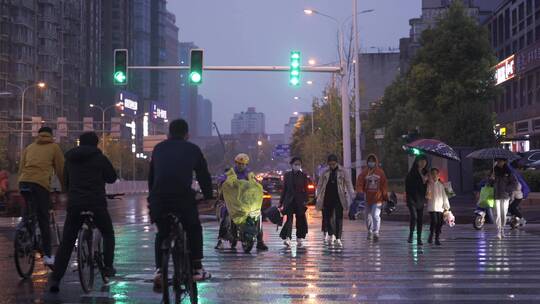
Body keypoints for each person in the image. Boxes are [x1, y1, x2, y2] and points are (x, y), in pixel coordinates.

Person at [148, 119, 213, 291]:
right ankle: (197, 267)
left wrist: (152, 197)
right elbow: (203, 175)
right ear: (187, 134)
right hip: (182, 198)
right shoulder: (193, 149)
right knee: (193, 228)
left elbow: (152, 177)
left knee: (162, 233)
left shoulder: (158, 148)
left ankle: (159, 271)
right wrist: (208, 196)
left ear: (169, 133)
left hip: (159, 199)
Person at [48, 132, 117, 292]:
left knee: (67, 241)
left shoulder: (70, 159)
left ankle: (55, 279)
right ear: (96, 144)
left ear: (79, 143)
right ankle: (107, 266)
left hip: (75, 203)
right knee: (108, 233)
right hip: (96, 203)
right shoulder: (100, 158)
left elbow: (65, 181)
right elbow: (112, 177)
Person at [18, 126, 64, 267]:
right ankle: (48, 256)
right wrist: (65, 186)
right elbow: (61, 169)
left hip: (24, 182)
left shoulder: (29, 147)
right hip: (40, 184)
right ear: (50, 135)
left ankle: (23, 231)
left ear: (38, 135)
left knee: (29, 211)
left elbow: (21, 168)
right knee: (44, 218)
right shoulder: (54, 147)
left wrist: (21, 182)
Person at [215, 153, 268, 251]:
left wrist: (259, 187)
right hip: (232, 203)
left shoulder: (249, 174)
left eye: (243, 164)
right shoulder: (230, 173)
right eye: (239, 163)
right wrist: (223, 182)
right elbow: (221, 179)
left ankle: (260, 241)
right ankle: (220, 240)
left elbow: (255, 183)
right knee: (226, 214)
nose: (241, 166)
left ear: (246, 165)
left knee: (258, 215)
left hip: (245, 202)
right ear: (236, 163)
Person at [316, 154, 354, 247]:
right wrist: (318, 195)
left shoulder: (343, 171)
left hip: (339, 197)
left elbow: (349, 184)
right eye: (330, 164)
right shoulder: (325, 172)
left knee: (338, 218)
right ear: (328, 163)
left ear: (337, 163)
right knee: (328, 218)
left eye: (334, 164)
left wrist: (353, 195)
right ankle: (331, 233)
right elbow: (320, 185)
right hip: (327, 198)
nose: (332, 165)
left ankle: (338, 238)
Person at [356, 154, 388, 242]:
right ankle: (369, 231)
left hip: (378, 199)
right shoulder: (364, 173)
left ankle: (376, 232)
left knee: (375, 215)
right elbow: (359, 183)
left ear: (376, 162)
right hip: (367, 199)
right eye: (370, 161)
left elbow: (384, 185)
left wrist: (385, 197)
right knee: (368, 217)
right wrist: (360, 192)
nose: (371, 163)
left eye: (373, 161)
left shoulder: (380, 173)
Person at [279, 157, 309, 248]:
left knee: (300, 220)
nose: (297, 166)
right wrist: (281, 202)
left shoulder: (303, 175)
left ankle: (299, 237)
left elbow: (306, 189)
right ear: (292, 165)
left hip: (300, 201)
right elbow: (284, 189)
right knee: (289, 220)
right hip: (289, 201)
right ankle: (288, 238)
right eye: (295, 164)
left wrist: (305, 200)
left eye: (299, 164)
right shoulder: (287, 175)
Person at [491, 158, 518, 239]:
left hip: (505, 196)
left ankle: (502, 230)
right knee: (497, 214)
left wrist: (507, 190)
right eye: (497, 161)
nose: (499, 162)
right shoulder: (493, 171)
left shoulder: (508, 172)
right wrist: (491, 179)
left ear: (504, 161)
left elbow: (514, 183)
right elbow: (488, 183)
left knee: (503, 214)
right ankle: (498, 231)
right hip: (496, 196)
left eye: (500, 161)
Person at [406, 155, 429, 245]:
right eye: (421, 161)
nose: (423, 163)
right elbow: (408, 186)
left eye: (424, 161)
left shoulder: (426, 173)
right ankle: (411, 234)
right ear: (417, 162)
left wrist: (426, 182)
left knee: (420, 218)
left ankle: (419, 238)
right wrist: (421, 181)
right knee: (414, 217)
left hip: (421, 199)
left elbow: (429, 187)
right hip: (412, 198)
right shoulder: (412, 172)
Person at [426, 168, 450, 246]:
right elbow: (427, 196)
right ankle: (432, 235)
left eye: (436, 174)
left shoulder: (441, 185)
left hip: (440, 207)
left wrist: (446, 206)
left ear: (438, 175)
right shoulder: (429, 184)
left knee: (439, 223)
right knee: (434, 221)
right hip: (432, 207)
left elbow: (445, 196)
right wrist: (427, 194)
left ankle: (436, 237)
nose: (434, 175)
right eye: (433, 174)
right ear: (430, 175)